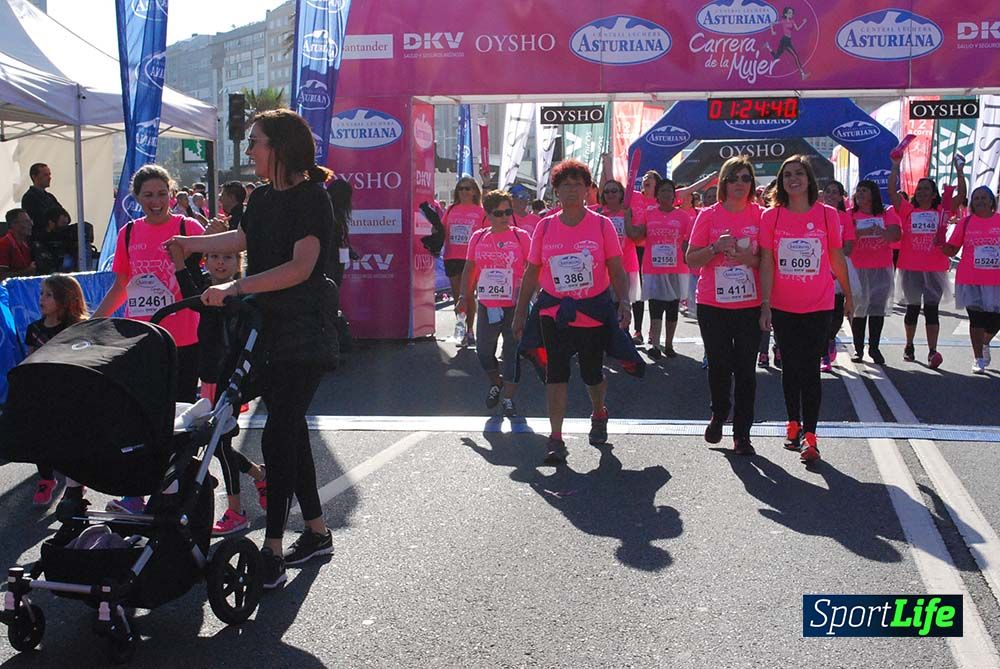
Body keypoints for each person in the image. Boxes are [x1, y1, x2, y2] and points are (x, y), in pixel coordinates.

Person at [166, 108, 335, 590]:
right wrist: (191, 243)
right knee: (288, 426)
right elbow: (243, 237)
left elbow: (301, 267)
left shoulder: (311, 198)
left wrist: (238, 287)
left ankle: (275, 546)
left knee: (279, 431)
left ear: (278, 146)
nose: (248, 149)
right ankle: (318, 531)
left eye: (254, 141)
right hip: (265, 330)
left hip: (303, 331)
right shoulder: (261, 198)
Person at [93, 164, 205, 514]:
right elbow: (121, 286)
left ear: (172, 194)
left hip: (186, 338)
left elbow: (210, 279)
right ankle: (136, 493)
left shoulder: (189, 229)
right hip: (144, 339)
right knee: (141, 417)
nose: (155, 201)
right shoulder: (128, 234)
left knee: (181, 420)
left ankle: (177, 491)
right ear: (136, 198)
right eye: (147, 195)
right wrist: (94, 322)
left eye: (161, 194)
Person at [512, 159, 631, 464]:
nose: (572, 190)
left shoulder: (602, 224)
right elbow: (532, 269)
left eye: (578, 184)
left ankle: (599, 412)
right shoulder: (546, 225)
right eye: (565, 185)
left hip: (592, 309)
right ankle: (555, 438)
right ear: (556, 191)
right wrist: (519, 313)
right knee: (556, 373)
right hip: (554, 311)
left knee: (592, 373)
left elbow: (616, 268)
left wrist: (625, 301)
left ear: (589, 190)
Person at [759, 156, 854, 463]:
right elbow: (767, 263)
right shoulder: (770, 217)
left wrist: (850, 294)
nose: (793, 179)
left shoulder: (827, 215)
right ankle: (793, 423)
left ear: (809, 180)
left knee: (811, 368)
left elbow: (837, 257)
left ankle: (811, 435)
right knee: (790, 367)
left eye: (799, 173)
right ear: (781, 182)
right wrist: (766, 304)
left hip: (819, 304)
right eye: (787, 175)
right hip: (784, 306)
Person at [170, 246, 268, 535]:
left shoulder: (240, 295)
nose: (220, 262)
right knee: (211, 441)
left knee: (220, 444)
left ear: (238, 262)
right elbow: (191, 295)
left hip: (233, 376)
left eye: (227, 257)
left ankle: (236, 510)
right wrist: (179, 261)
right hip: (209, 375)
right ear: (206, 261)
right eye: (214, 257)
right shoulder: (205, 289)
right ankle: (260, 475)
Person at [685, 155, 762, 455]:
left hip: (749, 304)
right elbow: (691, 259)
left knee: (745, 370)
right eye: (733, 178)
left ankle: (742, 434)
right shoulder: (708, 215)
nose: (739, 184)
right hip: (713, 304)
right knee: (719, 365)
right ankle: (719, 412)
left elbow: (766, 262)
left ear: (752, 183)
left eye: (745, 178)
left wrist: (748, 259)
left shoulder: (761, 215)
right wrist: (716, 247)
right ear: (723, 183)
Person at [888, 155, 966, 368]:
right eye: (919, 188)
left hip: (934, 269)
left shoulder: (942, 211)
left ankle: (933, 351)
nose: (922, 191)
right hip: (910, 267)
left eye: (926, 189)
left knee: (931, 310)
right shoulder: (907, 210)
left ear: (934, 195)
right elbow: (891, 193)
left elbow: (962, 195)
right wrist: (895, 165)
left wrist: (959, 170)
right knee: (912, 309)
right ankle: (909, 345)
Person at [461, 189, 531, 417]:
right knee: (483, 350)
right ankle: (496, 382)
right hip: (487, 304)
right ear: (488, 214)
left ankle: (508, 398)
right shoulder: (478, 237)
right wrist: (463, 296)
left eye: (507, 212)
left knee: (511, 352)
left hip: (514, 303)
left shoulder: (521, 236)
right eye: (498, 213)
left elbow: (533, 267)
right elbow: (470, 268)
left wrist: (533, 295)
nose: (504, 217)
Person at [25, 274, 89, 505]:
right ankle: (46, 479)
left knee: (69, 438)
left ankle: (75, 484)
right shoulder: (34, 329)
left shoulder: (75, 328)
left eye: (49, 294)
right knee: (41, 437)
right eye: (41, 293)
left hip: (68, 392)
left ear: (65, 299)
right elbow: (31, 359)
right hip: (42, 392)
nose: (42, 298)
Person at [627, 178, 692, 358]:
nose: (666, 194)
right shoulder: (649, 214)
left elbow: (690, 240)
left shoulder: (683, 216)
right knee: (655, 307)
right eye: (662, 191)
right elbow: (636, 233)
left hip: (676, 268)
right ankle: (655, 345)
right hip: (653, 268)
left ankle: (669, 345)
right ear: (657, 195)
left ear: (674, 195)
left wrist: (689, 253)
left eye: (669, 191)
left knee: (672, 308)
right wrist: (626, 215)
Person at [940, 186, 1000, 374]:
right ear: (972, 203)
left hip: (996, 280)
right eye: (976, 198)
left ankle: (985, 342)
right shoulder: (965, 223)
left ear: (992, 201)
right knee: (977, 319)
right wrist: (940, 243)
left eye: (984, 198)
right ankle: (978, 358)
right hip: (971, 278)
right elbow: (952, 250)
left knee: (995, 321)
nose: (980, 201)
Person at [847, 180, 901, 364]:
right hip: (858, 268)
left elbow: (896, 235)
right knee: (859, 310)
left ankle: (874, 348)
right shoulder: (850, 214)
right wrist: (860, 233)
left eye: (865, 191)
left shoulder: (887, 212)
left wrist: (881, 231)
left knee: (877, 309)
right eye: (858, 191)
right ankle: (858, 349)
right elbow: (845, 238)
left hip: (881, 267)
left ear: (873, 194)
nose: (860, 194)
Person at [597, 179, 642, 345]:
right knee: (608, 304)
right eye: (607, 191)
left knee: (623, 303)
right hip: (606, 267)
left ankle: (623, 337)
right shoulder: (600, 213)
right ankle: (609, 338)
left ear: (621, 194)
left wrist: (628, 217)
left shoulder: (628, 212)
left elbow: (634, 235)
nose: (610, 194)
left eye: (614, 191)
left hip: (627, 264)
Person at [443, 177, 486, 345]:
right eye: (461, 189)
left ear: (475, 191)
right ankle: (460, 328)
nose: (464, 192)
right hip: (452, 256)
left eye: (468, 188)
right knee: (457, 296)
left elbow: (487, 234)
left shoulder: (481, 212)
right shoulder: (451, 209)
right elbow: (441, 229)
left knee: (468, 295)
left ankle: (469, 330)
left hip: (471, 258)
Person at [819, 181, 855, 372]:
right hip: (816, 269)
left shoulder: (844, 217)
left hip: (838, 267)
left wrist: (836, 258)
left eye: (835, 192)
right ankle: (823, 353)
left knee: (836, 313)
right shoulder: (815, 213)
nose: (831, 195)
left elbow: (849, 244)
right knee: (821, 313)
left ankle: (831, 338)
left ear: (842, 197)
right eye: (828, 191)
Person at [21, 163, 63, 241]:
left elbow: (62, 213)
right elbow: (37, 220)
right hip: (42, 239)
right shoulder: (29, 198)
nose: (49, 178)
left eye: (49, 174)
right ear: (34, 177)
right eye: (45, 175)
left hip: (55, 237)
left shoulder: (50, 197)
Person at [765, 7, 809, 80]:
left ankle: (768, 46)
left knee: (776, 56)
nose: (791, 14)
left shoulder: (792, 21)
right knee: (795, 56)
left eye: (792, 13)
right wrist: (772, 31)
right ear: (785, 14)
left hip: (788, 40)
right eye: (789, 13)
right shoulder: (783, 21)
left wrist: (803, 23)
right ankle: (802, 74)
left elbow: (797, 29)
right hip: (784, 41)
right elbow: (772, 23)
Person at [326, 178, 353, 286]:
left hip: (336, 261)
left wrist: (349, 250)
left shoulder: (338, 215)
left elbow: (340, 240)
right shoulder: (330, 215)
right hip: (330, 262)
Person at [0, 208, 36, 280]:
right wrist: (27, 272)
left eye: (30, 221)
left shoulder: (24, 245)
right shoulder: (3, 245)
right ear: (14, 224)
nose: (31, 224)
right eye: (26, 221)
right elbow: (1, 277)